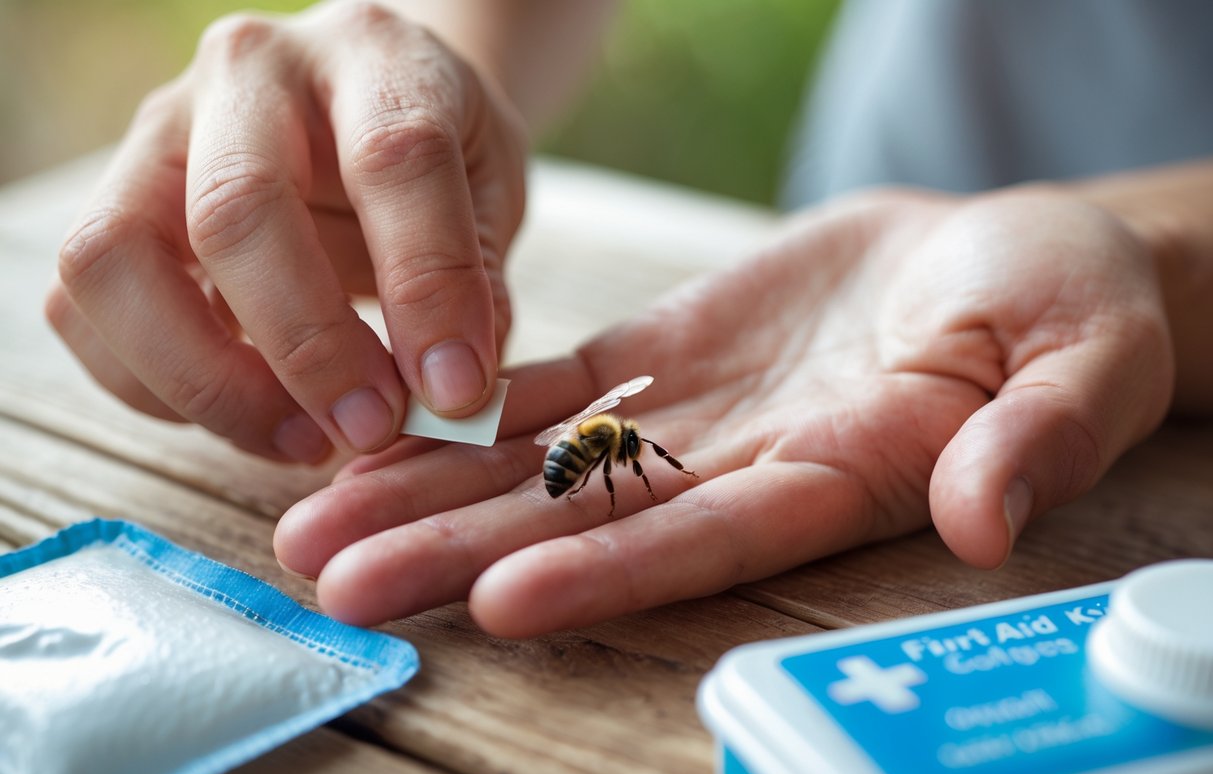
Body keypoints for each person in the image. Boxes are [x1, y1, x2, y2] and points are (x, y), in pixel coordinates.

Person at [46, 0, 1213, 637]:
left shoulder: (609, 443)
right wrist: (415, 52)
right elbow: (605, 446)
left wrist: (1157, 253)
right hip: (837, 277)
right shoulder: (605, 437)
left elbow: (609, 451)